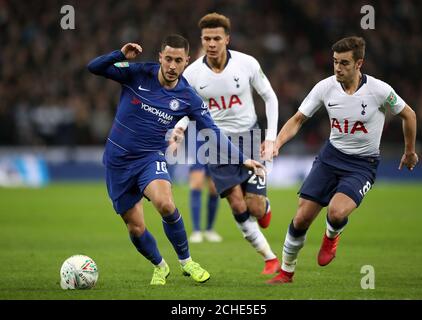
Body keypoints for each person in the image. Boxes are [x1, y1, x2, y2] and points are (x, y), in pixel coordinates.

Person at [87, 34, 265, 285]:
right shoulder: (137, 73)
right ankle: (159, 266)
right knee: (136, 228)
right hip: (117, 162)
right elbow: (93, 67)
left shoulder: (188, 97)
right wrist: (119, 55)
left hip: (149, 158)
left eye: (178, 60)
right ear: (160, 57)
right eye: (168, 59)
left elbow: (212, 132)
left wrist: (242, 160)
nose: (172, 66)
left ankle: (187, 262)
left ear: (186, 61)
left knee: (166, 204)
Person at [267, 36, 418, 284]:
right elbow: (297, 119)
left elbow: (409, 115)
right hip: (330, 157)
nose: (338, 68)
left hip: (362, 165)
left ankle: (331, 236)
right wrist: (277, 143)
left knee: (337, 212)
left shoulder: (379, 90)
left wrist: (409, 151)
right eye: (335, 62)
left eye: (345, 63)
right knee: (302, 217)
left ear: (359, 64)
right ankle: (286, 272)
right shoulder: (325, 87)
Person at [173, 13, 280, 274]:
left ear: (227, 39)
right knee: (235, 202)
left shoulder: (247, 64)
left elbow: (270, 98)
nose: (211, 43)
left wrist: (270, 138)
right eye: (206, 38)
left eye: (216, 38)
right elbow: (188, 109)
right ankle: (269, 258)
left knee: (254, 206)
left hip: (250, 136)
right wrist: (178, 129)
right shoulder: (193, 73)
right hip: (215, 141)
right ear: (202, 40)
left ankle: (264, 209)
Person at [187, 140, 222, 243]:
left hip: (215, 143)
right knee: (196, 184)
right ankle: (196, 230)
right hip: (196, 141)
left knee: (214, 188)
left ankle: (209, 230)